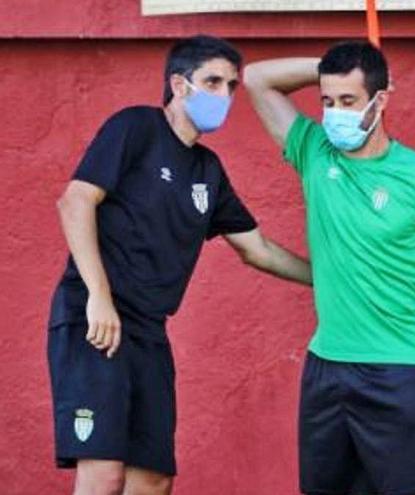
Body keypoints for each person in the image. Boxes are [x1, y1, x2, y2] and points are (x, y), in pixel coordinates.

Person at [48, 35, 312, 495]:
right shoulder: (136, 127)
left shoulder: (208, 170)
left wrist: (330, 279)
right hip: (96, 320)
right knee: (104, 471)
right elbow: (75, 201)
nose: (223, 95)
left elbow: (258, 250)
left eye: (231, 86)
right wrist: (99, 296)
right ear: (179, 83)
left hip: (149, 331)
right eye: (212, 81)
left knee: (152, 479)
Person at [244, 41, 415, 495]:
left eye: (348, 101)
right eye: (327, 102)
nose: (335, 114)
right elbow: (255, 78)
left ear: (381, 98)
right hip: (327, 369)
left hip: (400, 369)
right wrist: (331, 69)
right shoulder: (314, 153)